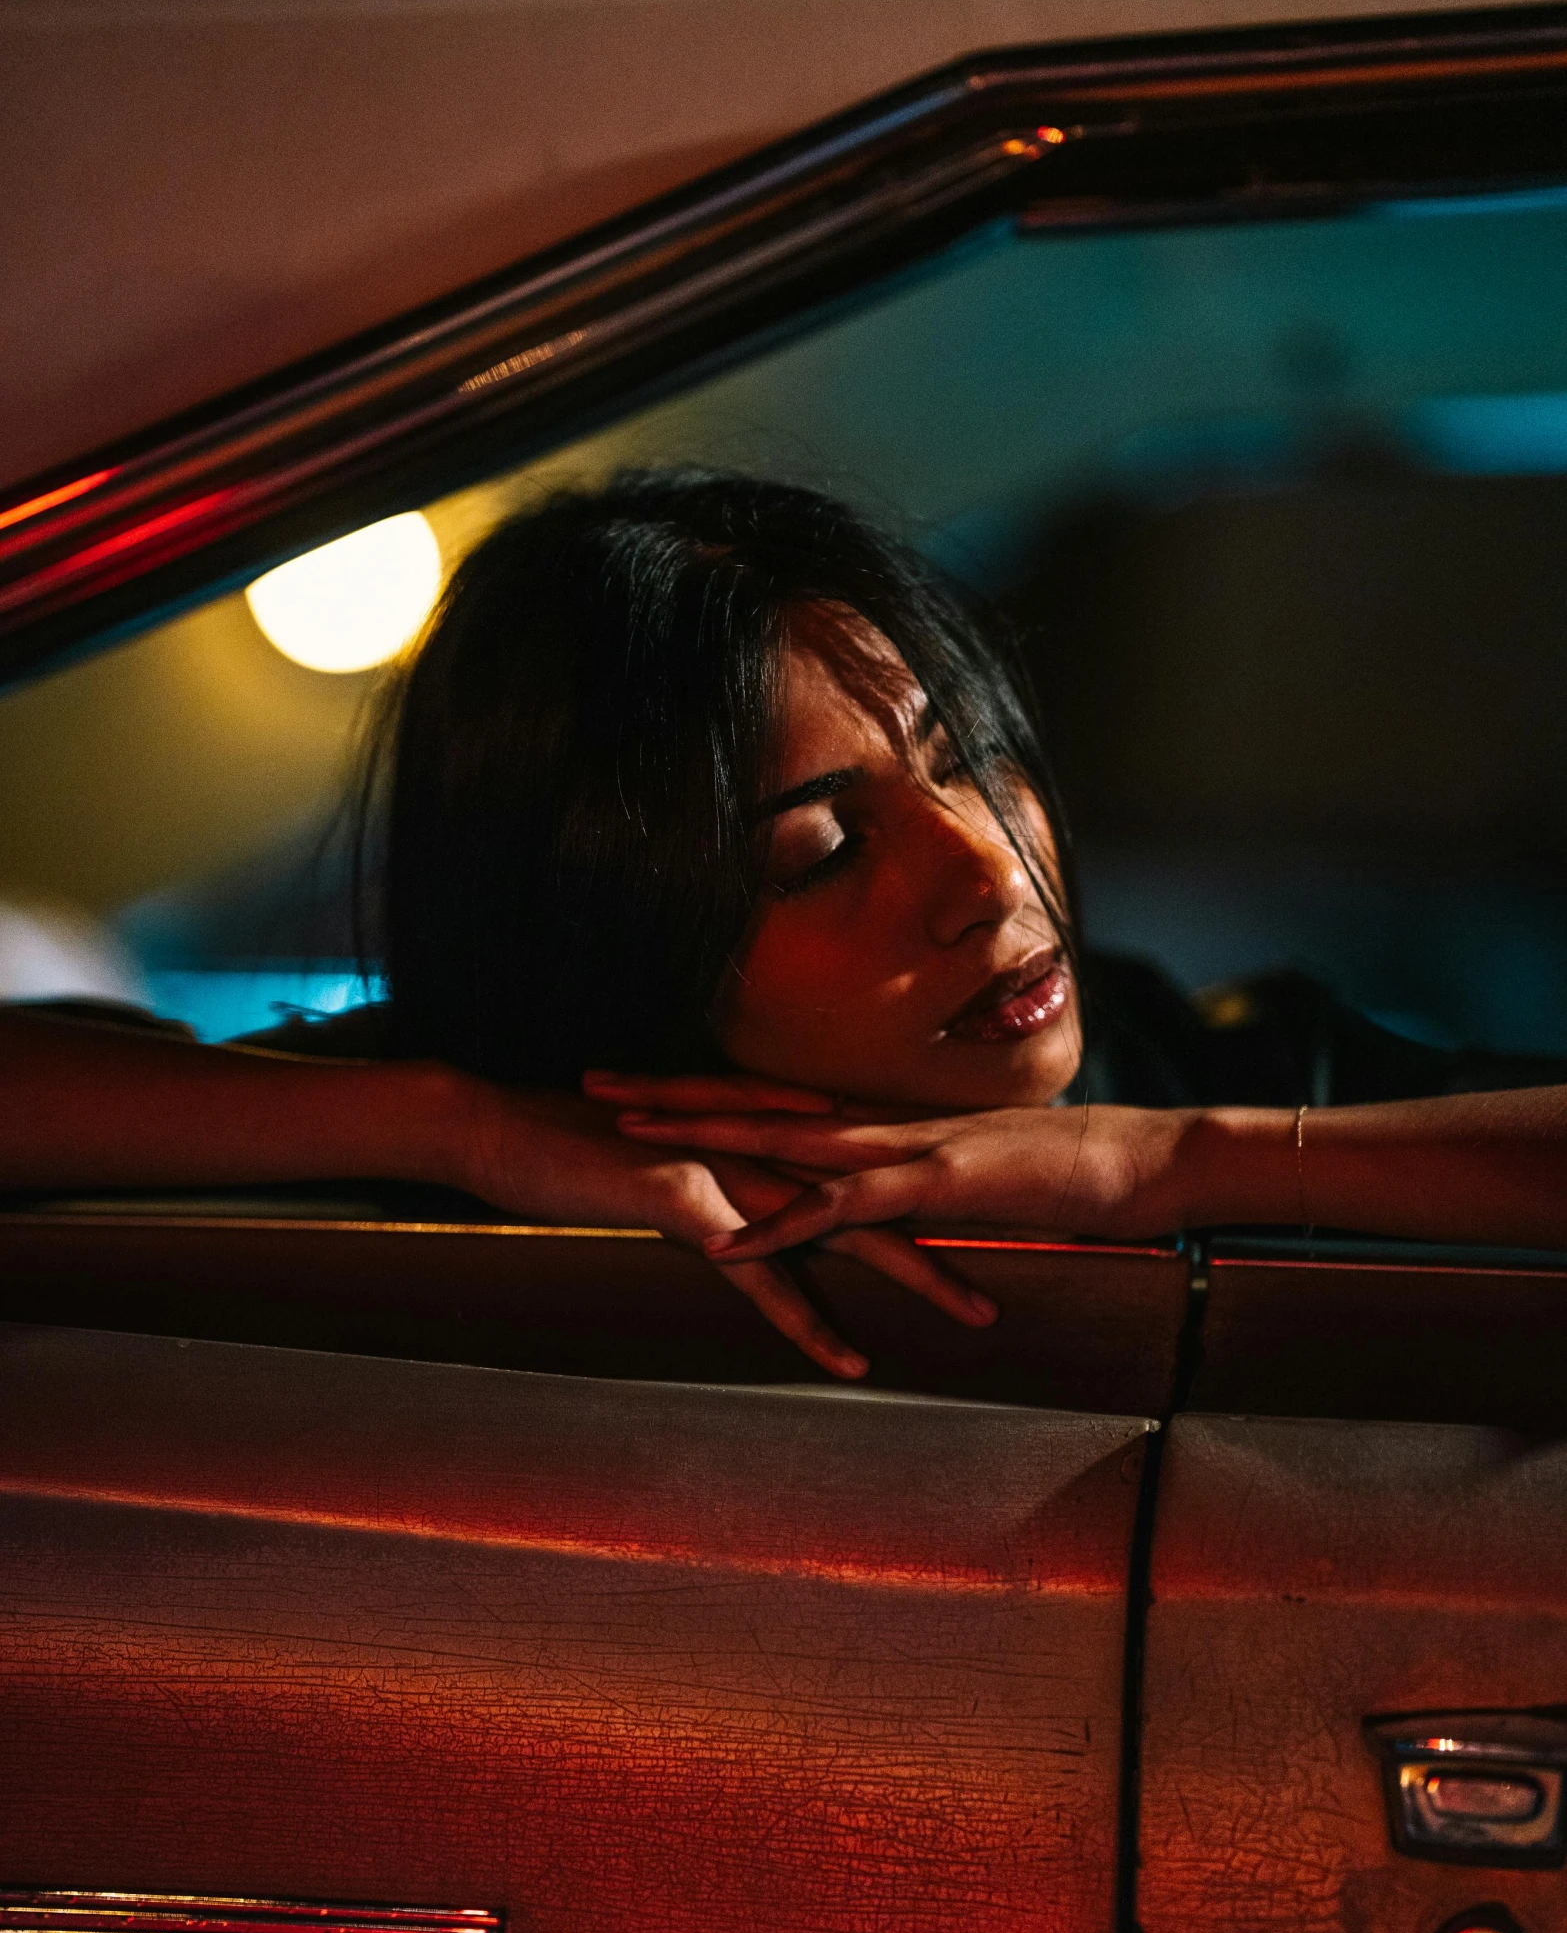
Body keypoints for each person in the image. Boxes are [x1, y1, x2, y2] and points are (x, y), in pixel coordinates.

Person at [2, 470, 1564, 1378]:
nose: (987, 873)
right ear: (609, 929)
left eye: (971, 758)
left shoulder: (1205, 1060)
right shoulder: (544, 1137)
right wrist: (455, 1123)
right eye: (822, 849)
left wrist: (1166, 1160)